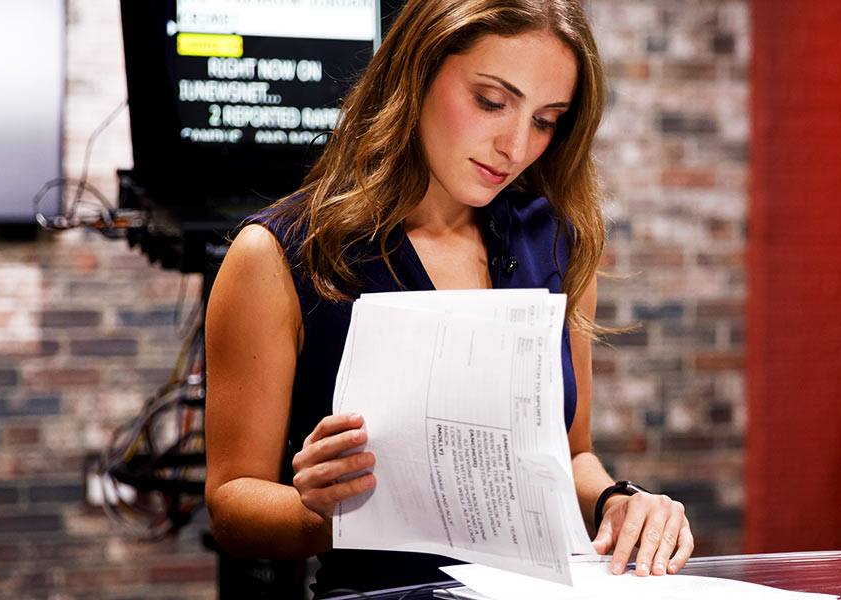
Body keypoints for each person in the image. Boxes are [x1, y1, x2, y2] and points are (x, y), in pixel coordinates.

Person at [202, 1, 692, 594]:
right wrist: (322, 510)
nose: (514, 146)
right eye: (491, 102)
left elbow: (569, 454)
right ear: (417, 74)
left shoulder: (557, 240)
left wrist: (619, 502)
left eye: (546, 120)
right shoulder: (276, 255)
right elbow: (232, 503)